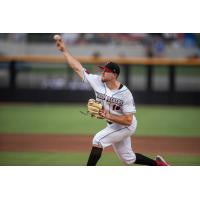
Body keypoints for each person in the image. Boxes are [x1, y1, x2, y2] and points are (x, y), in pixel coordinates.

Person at [55, 36, 169, 166]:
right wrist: (64, 51)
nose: (103, 72)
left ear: (114, 75)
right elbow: (77, 68)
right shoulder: (97, 81)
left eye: (107, 71)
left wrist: (108, 115)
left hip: (126, 126)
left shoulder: (125, 94)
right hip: (113, 125)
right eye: (103, 69)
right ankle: (159, 165)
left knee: (98, 140)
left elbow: (128, 120)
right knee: (128, 158)